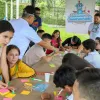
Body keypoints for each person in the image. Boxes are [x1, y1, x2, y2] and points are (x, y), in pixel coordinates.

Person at [0, 20, 14, 87]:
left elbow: (3, 64)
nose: (7, 41)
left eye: (10, 38)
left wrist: (8, 83)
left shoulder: (4, 45)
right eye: (5, 36)